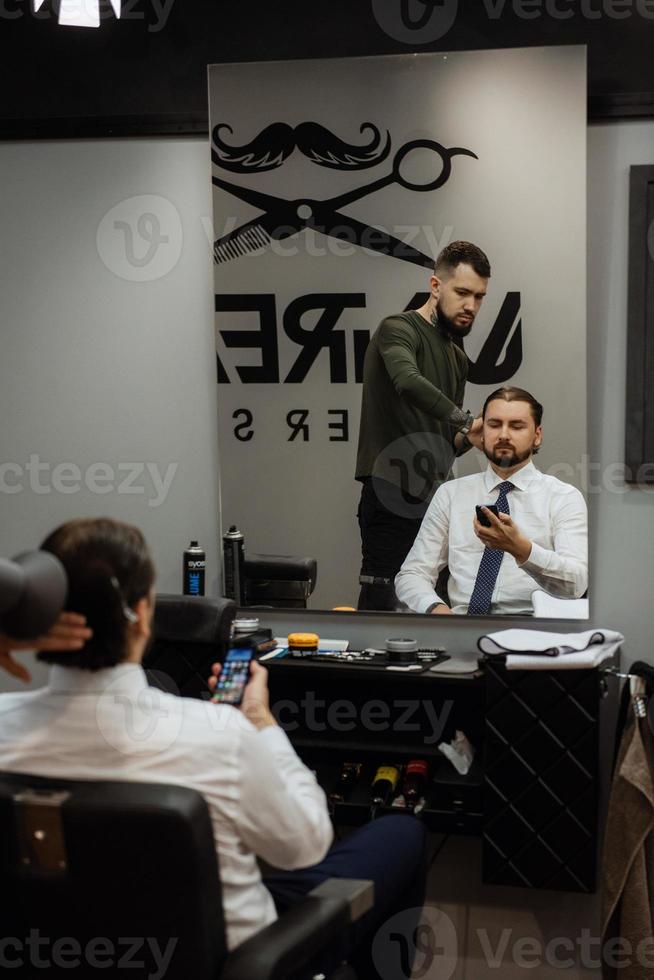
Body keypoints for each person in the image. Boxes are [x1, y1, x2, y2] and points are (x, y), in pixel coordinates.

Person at [0, 517, 426, 978]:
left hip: (59, 949)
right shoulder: (220, 733)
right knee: (401, 833)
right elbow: (304, 847)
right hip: (230, 959)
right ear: (143, 615)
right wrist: (261, 724)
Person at [355, 240, 491, 611]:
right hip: (392, 487)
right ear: (435, 286)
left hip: (437, 499)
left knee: (434, 603)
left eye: (479, 297)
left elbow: (449, 438)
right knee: (384, 599)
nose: (471, 306)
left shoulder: (457, 357)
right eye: (462, 292)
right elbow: (408, 381)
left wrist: (479, 435)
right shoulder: (398, 329)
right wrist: (466, 421)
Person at [395, 386, 588, 615]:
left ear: (537, 436)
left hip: (535, 629)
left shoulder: (563, 497)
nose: (504, 435)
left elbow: (576, 584)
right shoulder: (451, 494)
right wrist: (438, 612)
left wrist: (521, 550)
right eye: (494, 425)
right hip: (461, 626)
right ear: (482, 432)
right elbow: (412, 574)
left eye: (516, 426)